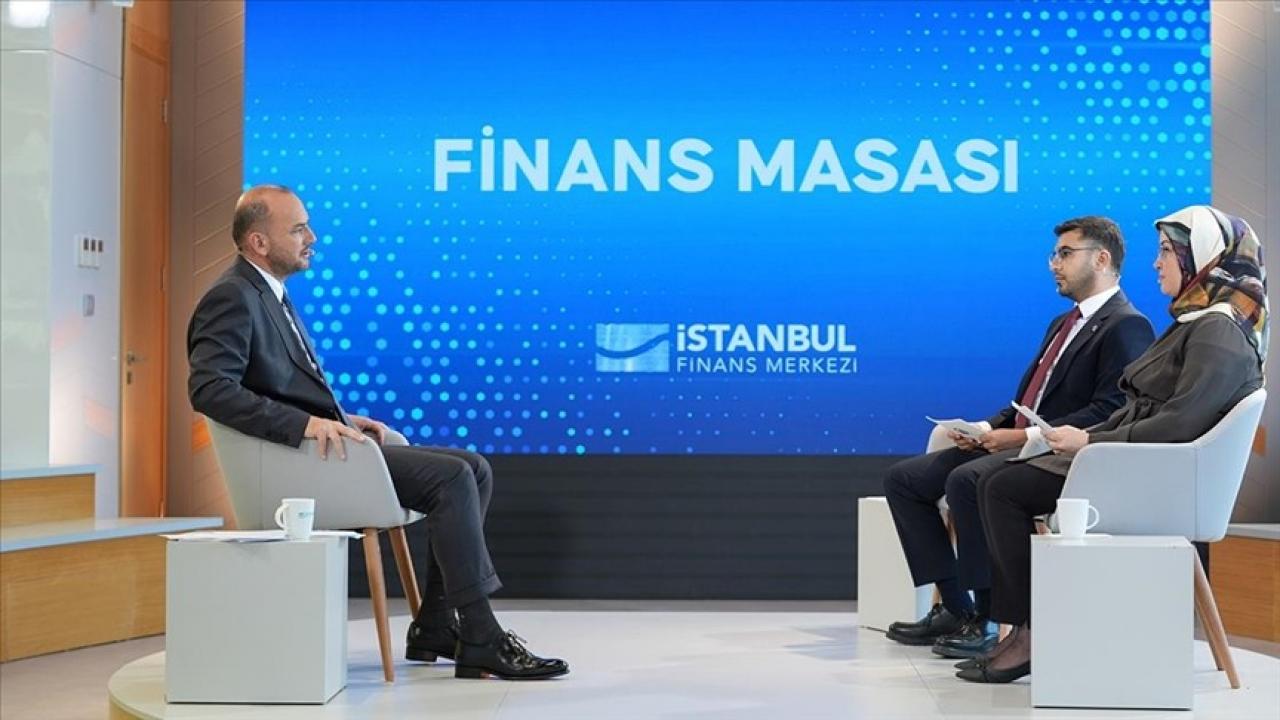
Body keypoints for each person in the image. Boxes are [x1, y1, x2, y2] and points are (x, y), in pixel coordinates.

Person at [188, 184, 568, 681]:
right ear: (259, 242)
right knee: (452, 478)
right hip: (295, 466)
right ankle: (481, 634)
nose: (312, 238)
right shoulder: (233, 296)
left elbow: (275, 384)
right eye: (298, 229)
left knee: (474, 469)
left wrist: (342, 419)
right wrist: (306, 424)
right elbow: (211, 389)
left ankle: (435, 625)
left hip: (320, 451)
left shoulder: (266, 292)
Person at [961, 205, 1268, 684]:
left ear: (1203, 256)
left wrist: (1089, 440)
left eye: (1167, 251)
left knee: (1002, 487)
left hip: (1151, 475)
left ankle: (1030, 635)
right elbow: (1153, 414)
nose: (1156, 262)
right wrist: (1089, 440)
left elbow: (1180, 423)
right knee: (995, 481)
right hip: (1133, 460)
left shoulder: (1218, 330)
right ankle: (1022, 629)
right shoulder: (1198, 320)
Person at [883, 216, 1155, 659]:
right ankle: (955, 608)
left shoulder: (1127, 325)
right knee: (904, 480)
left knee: (967, 480)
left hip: (1058, 455)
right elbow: (1028, 399)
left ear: (1101, 259)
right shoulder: (1062, 323)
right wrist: (985, 430)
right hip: (1020, 443)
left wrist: (1021, 436)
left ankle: (987, 620)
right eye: (1054, 254)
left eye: (1065, 253)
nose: (1054, 264)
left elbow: (1110, 410)